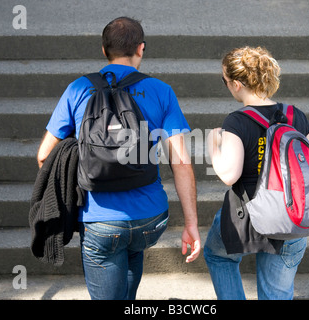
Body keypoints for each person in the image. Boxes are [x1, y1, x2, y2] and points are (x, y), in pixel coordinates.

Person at [36, 16, 201, 300]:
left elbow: (44, 156)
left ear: (104, 50)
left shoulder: (78, 89)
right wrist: (191, 224)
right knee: (129, 265)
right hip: (150, 220)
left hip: (100, 220)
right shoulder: (161, 91)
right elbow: (181, 163)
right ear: (141, 48)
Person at [204, 46, 309, 300]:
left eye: (224, 81)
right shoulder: (294, 115)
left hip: (248, 216)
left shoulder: (237, 122)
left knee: (218, 256)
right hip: (291, 216)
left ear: (237, 84)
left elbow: (229, 175)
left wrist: (213, 145)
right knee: (275, 294)